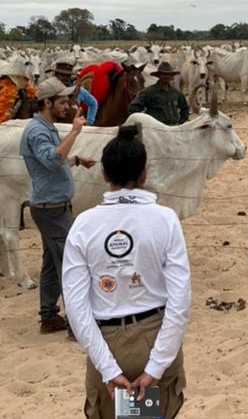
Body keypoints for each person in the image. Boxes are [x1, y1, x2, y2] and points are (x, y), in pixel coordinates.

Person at [63, 124, 190, 419]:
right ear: (144, 172)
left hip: (106, 340)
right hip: (155, 334)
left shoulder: (84, 224)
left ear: (104, 174)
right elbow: (180, 300)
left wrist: (108, 369)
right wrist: (155, 367)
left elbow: (76, 306)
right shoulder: (165, 219)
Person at [20, 77, 97, 334]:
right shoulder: (38, 131)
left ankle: (49, 316)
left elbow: (52, 160)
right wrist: (75, 132)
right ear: (47, 102)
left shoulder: (45, 127)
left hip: (52, 206)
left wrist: (76, 160)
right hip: (51, 209)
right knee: (70, 265)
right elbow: (52, 160)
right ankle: (77, 325)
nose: (67, 106)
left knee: (52, 264)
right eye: (62, 102)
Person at [54, 58, 98, 125]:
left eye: (67, 75)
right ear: (56, 75)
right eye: (62, 75)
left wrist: (89, 122)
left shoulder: (78, 90)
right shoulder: (49, 90)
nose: (65, 78)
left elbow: (93, 103)